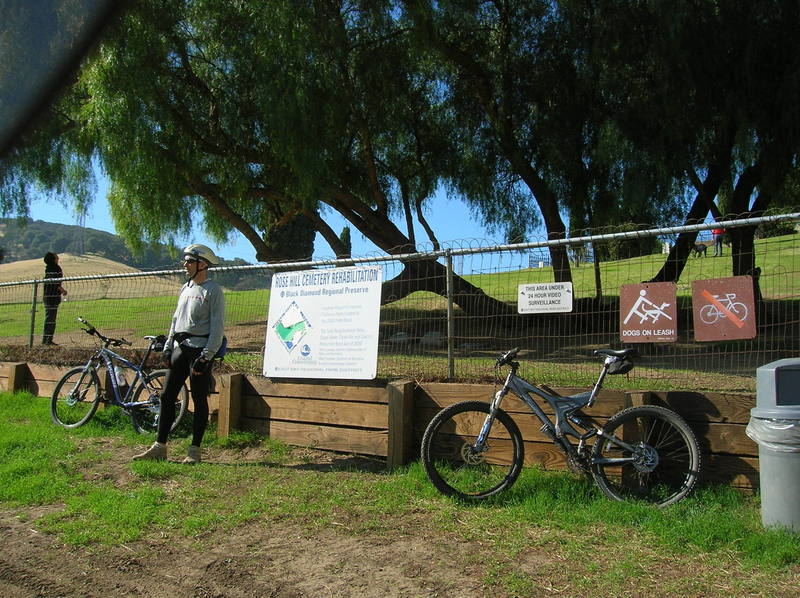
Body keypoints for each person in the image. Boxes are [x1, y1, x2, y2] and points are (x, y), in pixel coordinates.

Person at [133, 244, 225, 464]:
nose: (185, 265)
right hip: (180, 349)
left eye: (189, 261)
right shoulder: (186, 287)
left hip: (200, 351)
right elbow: (176, 319)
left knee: (198, 398)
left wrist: (206, 356)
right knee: (166, 396)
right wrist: (168, 345)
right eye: (185, 261)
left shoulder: (213, 291)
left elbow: (218, 327)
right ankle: (160, 446)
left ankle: (194, 450)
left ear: (202, 264)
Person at [42, 252, 67, 345]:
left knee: (49, 318)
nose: (58, 258)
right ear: (53, 259)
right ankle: (47, 341)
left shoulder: (48, 269)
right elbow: (56, 283)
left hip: (47, 296)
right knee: (51, 319)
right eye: (56, 256)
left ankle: (47, 340)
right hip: (53, 297)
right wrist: (63, 291)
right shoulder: (56, 269)